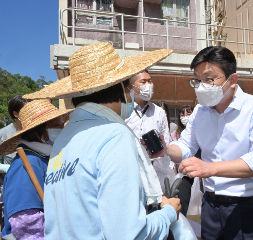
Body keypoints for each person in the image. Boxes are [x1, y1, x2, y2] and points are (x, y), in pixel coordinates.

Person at [39, 42, 180, 239]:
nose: (131, 95)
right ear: (120, 89)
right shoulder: (114, 135)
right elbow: (129, 233)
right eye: (129, 87)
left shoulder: (65, 136)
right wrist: (168, 214)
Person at [153, 46, 253, 239]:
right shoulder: (200, 111)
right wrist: (166, 149)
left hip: (247, 207)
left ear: (232, 80)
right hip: (210, 204)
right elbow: (186, 147)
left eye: (209, 79)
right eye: (197, 80)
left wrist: (210, 168)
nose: (202, 86)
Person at [0, 99, 70, 239]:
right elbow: (26, 223)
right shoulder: (27, 164)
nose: (61, 129)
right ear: (39, 131)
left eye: (62, 124)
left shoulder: (47, 157)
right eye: (56, 125)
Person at [124, 70, 174, 192]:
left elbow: (165, 143)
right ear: (132, 86)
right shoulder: (124, 112)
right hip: (130, 173)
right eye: (143, 81)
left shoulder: (159, 112)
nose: (148, 85)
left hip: (156, 174)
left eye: (150, 81)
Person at [0, 95, 29, 171]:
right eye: (25, 111)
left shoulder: (37, 131)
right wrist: (7, 168)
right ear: (15, 114)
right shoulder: (3, 134)